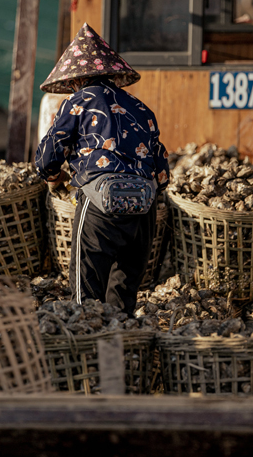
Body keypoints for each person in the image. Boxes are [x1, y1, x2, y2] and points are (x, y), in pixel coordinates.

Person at [35, 23, 169, 315]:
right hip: (143, 213)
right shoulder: (142, 108)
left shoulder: (79, 100)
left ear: (75, 81)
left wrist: (54, 177)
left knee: (86, 300)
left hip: (101, 208)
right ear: (111, 74)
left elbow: (47, 156)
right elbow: (162, 173)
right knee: (122, 300)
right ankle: (121, 356)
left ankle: (92, 356)